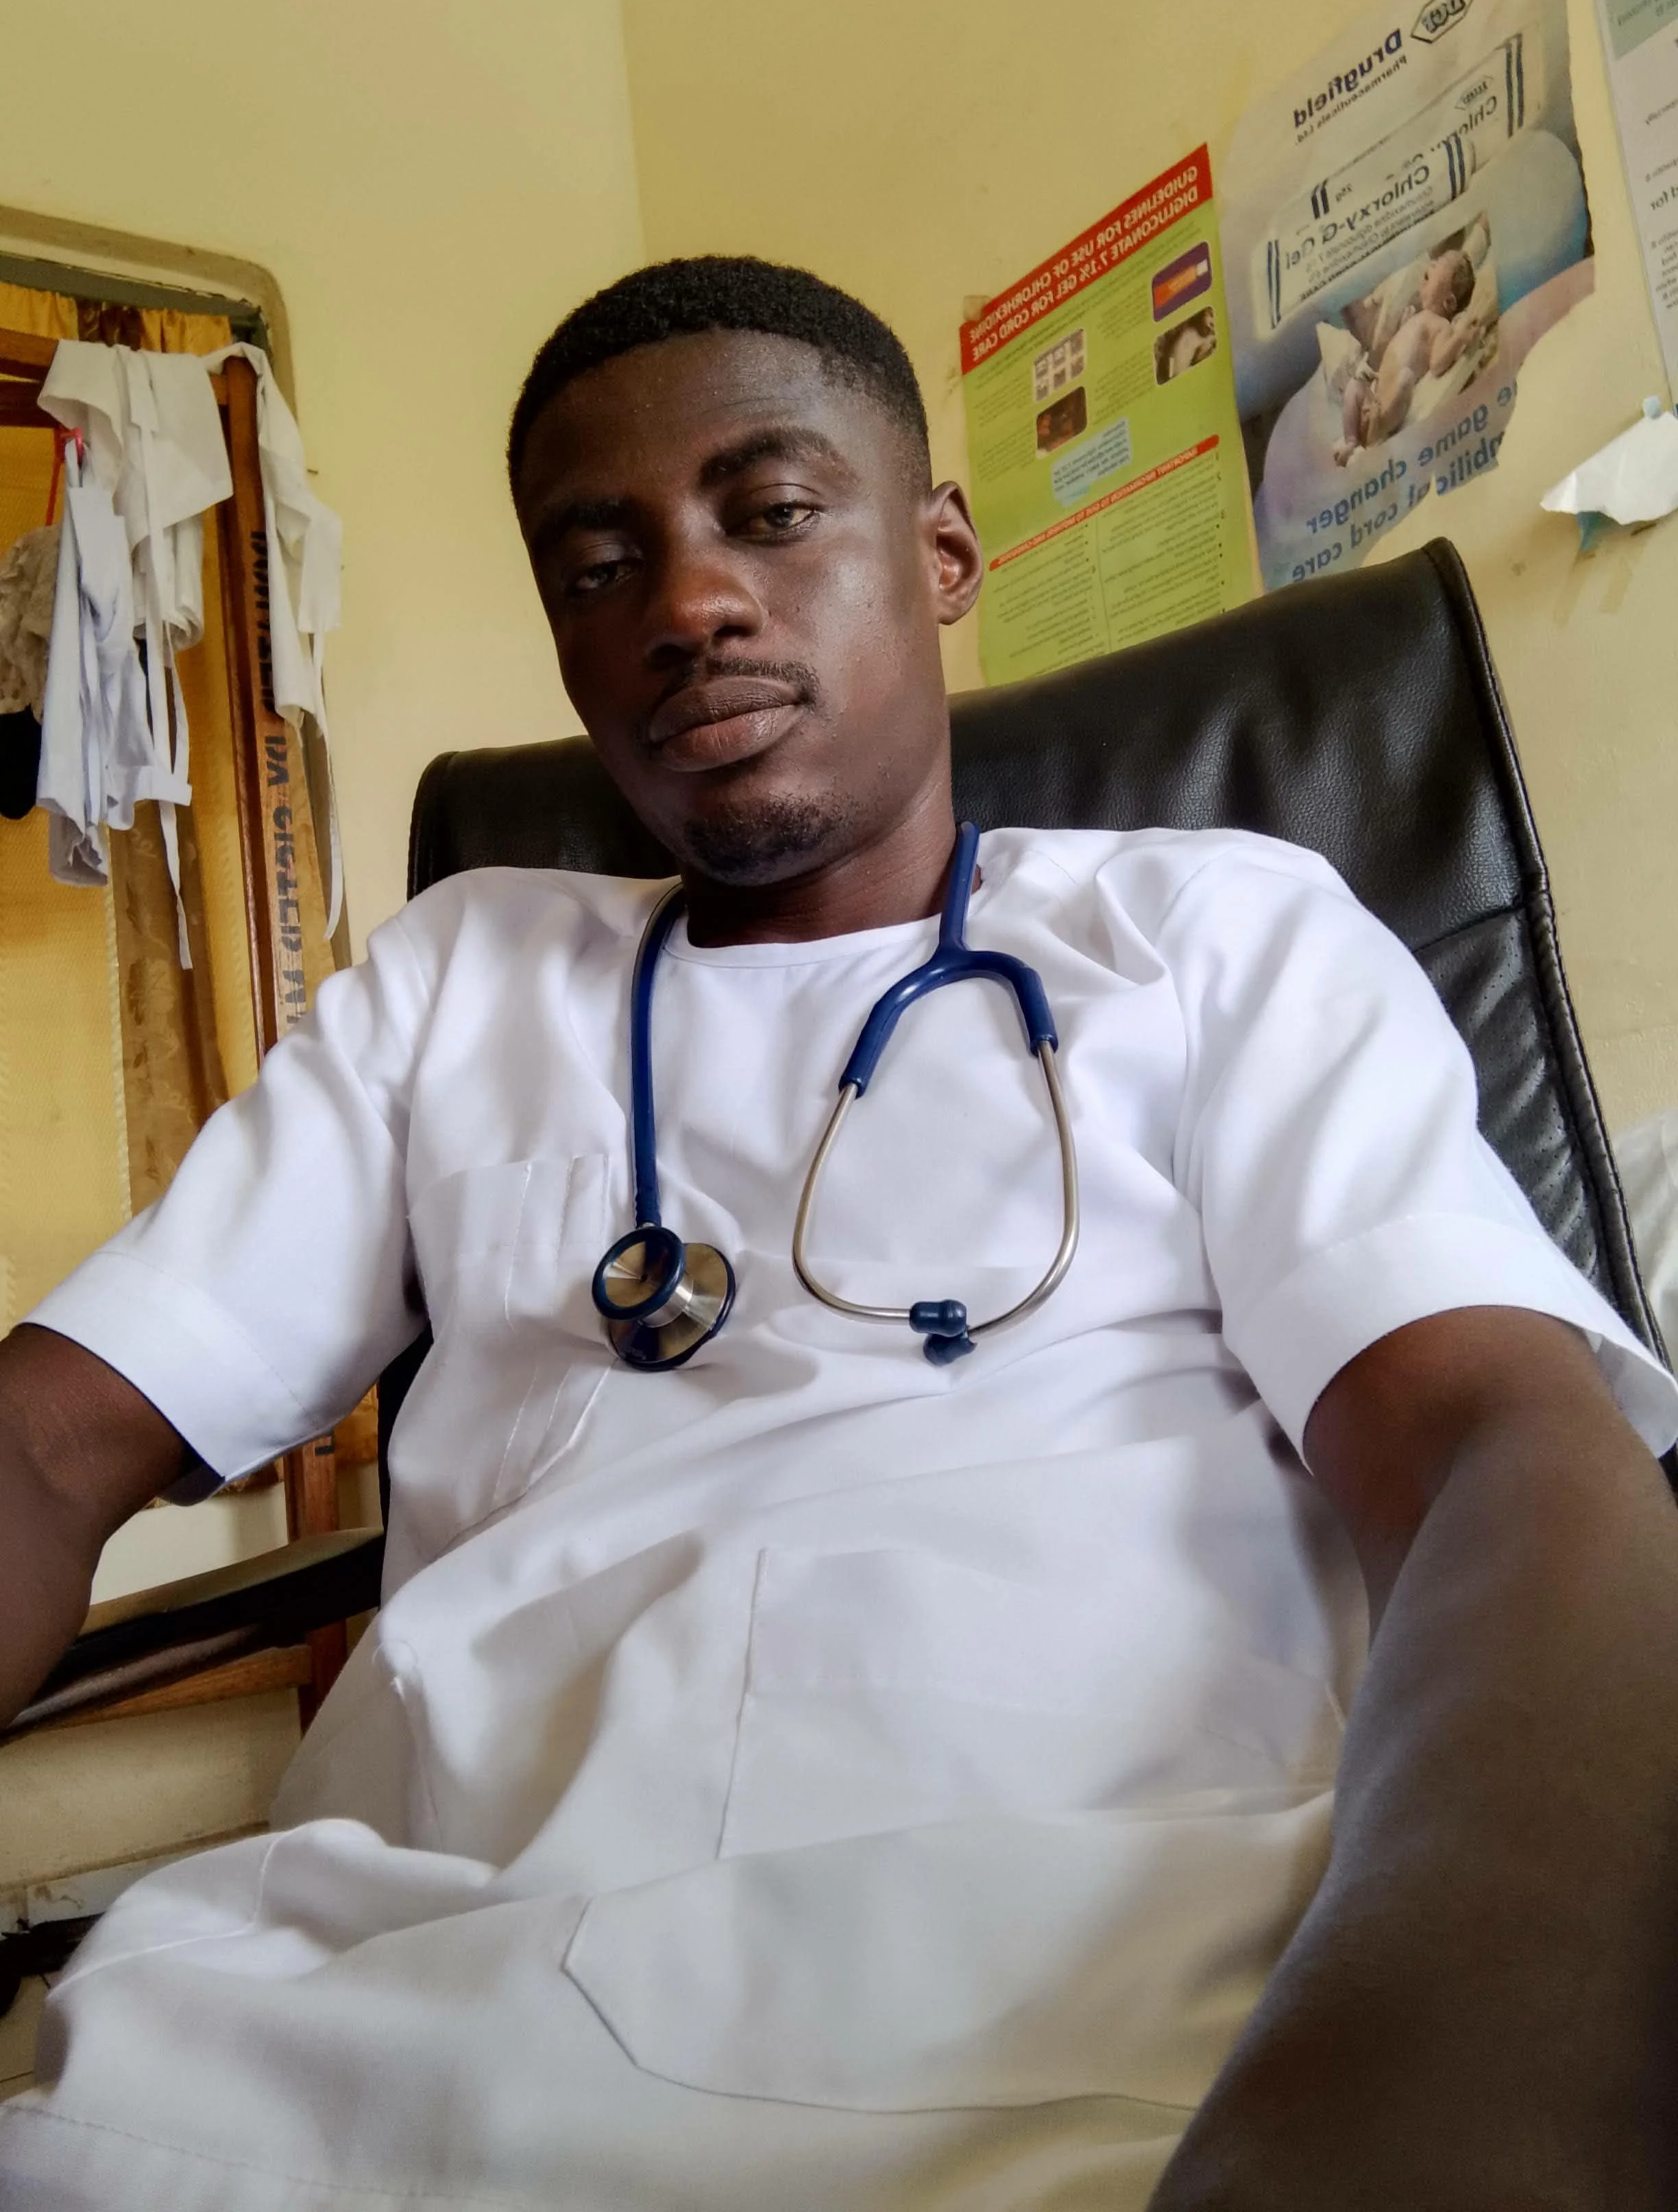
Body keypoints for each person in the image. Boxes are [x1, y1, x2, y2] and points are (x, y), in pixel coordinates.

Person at [2, 255, 1678, 2212]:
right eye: (598, 565)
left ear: (940, 553)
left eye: (774, 512)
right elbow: (44, 1441)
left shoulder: (1213, 931)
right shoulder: (461, 983)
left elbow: (1500, 1444)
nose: (688, 602)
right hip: (396, 1998)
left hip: (1106, 1968)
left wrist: (1455, 2045)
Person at [1334, 246, 1483, 465]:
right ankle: (1351, 440)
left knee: (1405, 379)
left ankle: (1378, 431)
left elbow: (1437, 364)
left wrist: (1459, 338)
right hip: (1375, 394)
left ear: (1449, 302)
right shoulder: (1419, 316)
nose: (1433, 263)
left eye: (1440, 264)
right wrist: (1403, 326)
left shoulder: (1441, 326)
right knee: (1354, 386)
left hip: (1388, 406)